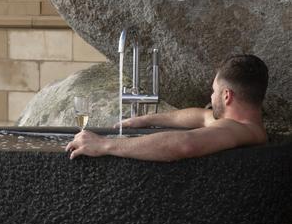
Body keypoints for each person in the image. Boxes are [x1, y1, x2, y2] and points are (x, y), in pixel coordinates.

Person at [65, 54, 268, 162]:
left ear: (226, 96)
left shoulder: (238, 130)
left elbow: (185, 144)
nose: (211, 96)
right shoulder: (240, 124)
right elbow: (200, 116)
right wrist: (146, 120)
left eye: (214, 90)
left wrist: (104, 145)